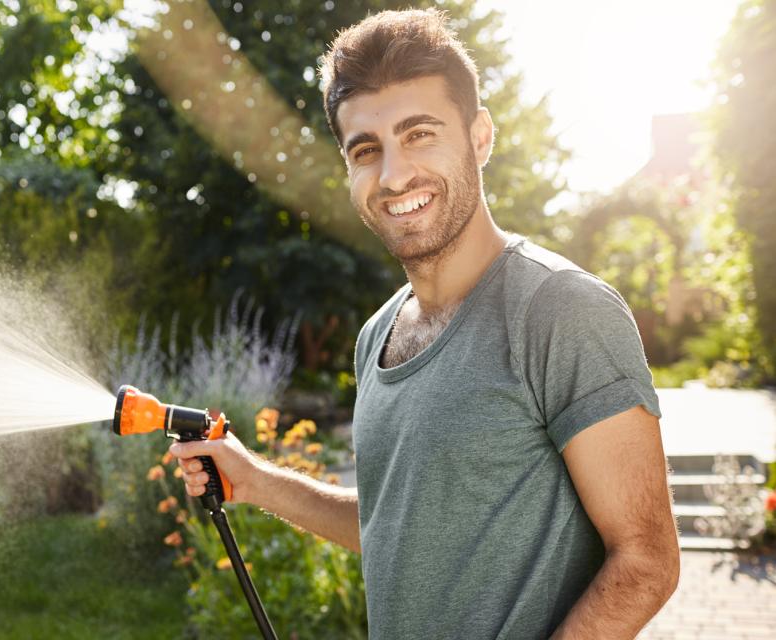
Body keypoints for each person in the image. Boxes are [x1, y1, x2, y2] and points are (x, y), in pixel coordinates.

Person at [169, 8, 680, 639]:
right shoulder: (377, 335)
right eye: (366, 150)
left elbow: (647, 560)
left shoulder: (563, 311)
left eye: (419, 134)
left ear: (480, 137)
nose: (393, 175)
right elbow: (398, 528)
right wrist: (256, 481)